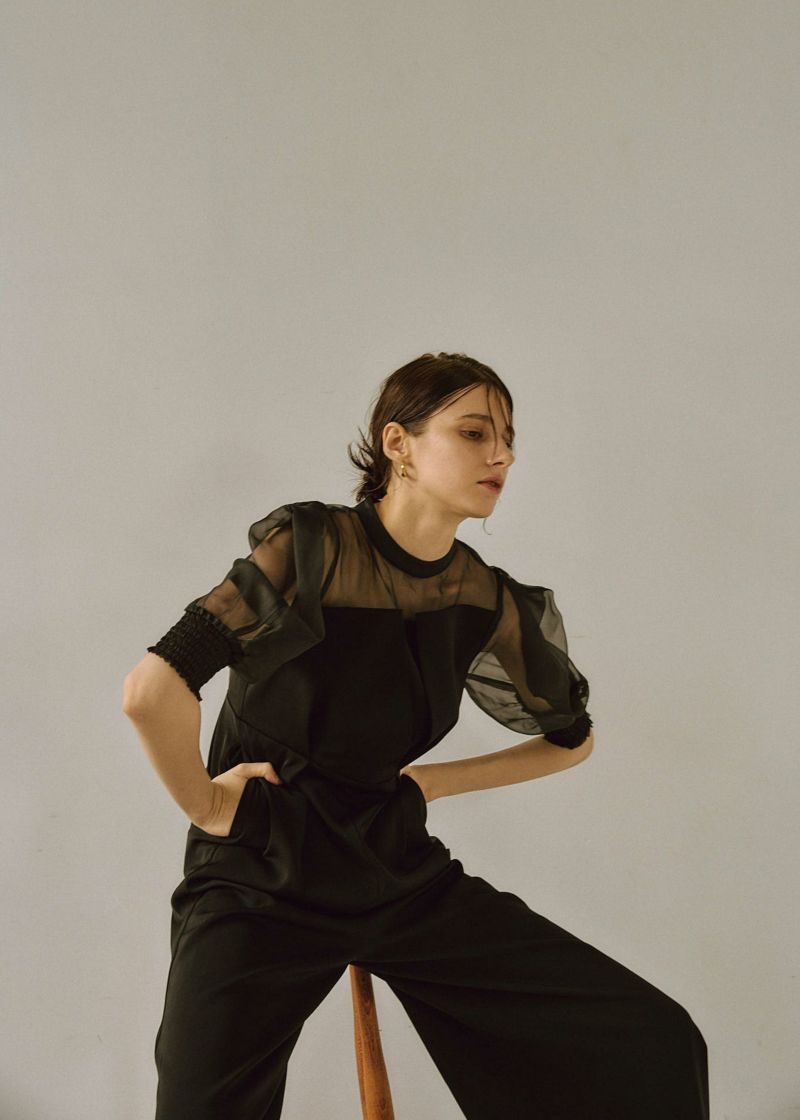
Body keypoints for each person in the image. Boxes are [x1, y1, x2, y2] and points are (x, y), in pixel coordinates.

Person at [122, 352, 709, 1119]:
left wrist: (429, 783)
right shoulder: (309, 550)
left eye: (507, 439)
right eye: (474, 432)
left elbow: (572, 737)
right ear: (397, 443)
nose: (501, 455)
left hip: (392, 870)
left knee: (652, 1039)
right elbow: (153, 690)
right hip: (260, 877)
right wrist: (206, 805)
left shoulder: (481, 596)